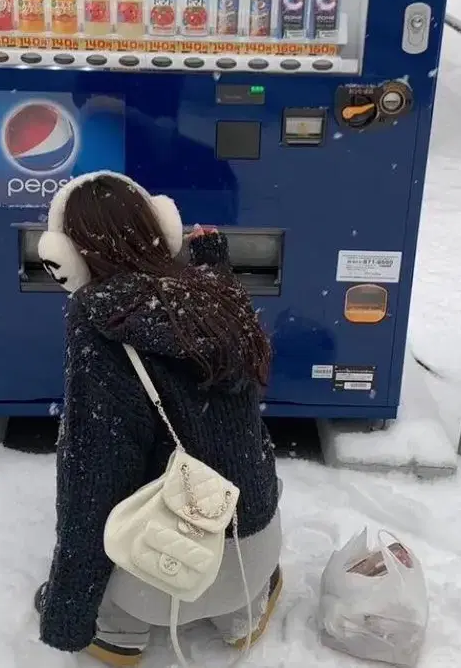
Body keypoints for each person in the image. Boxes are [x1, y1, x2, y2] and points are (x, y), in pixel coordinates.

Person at [34, 172, 282, 667]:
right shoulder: (220, 299)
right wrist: (211, 257)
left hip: (163, 578)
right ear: (163, 228)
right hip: (251, 552)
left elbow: (93, 479)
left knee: (111, 555)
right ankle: (242, 616)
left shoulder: (97, 325)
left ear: (66, 256)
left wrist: (66, 610)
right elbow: (206, 286)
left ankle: (119, 634)